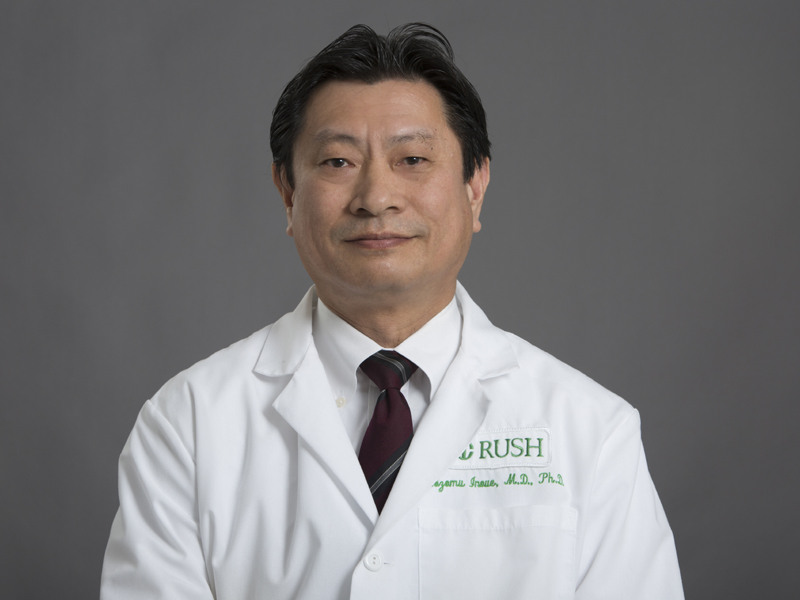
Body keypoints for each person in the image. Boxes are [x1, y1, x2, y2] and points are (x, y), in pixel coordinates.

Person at [100, 23, 684, 600]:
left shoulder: (591, 429)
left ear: (475, 187)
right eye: (337, 162)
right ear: (287, 192)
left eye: (412, 158)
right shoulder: (188, 424)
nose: (376, 197)